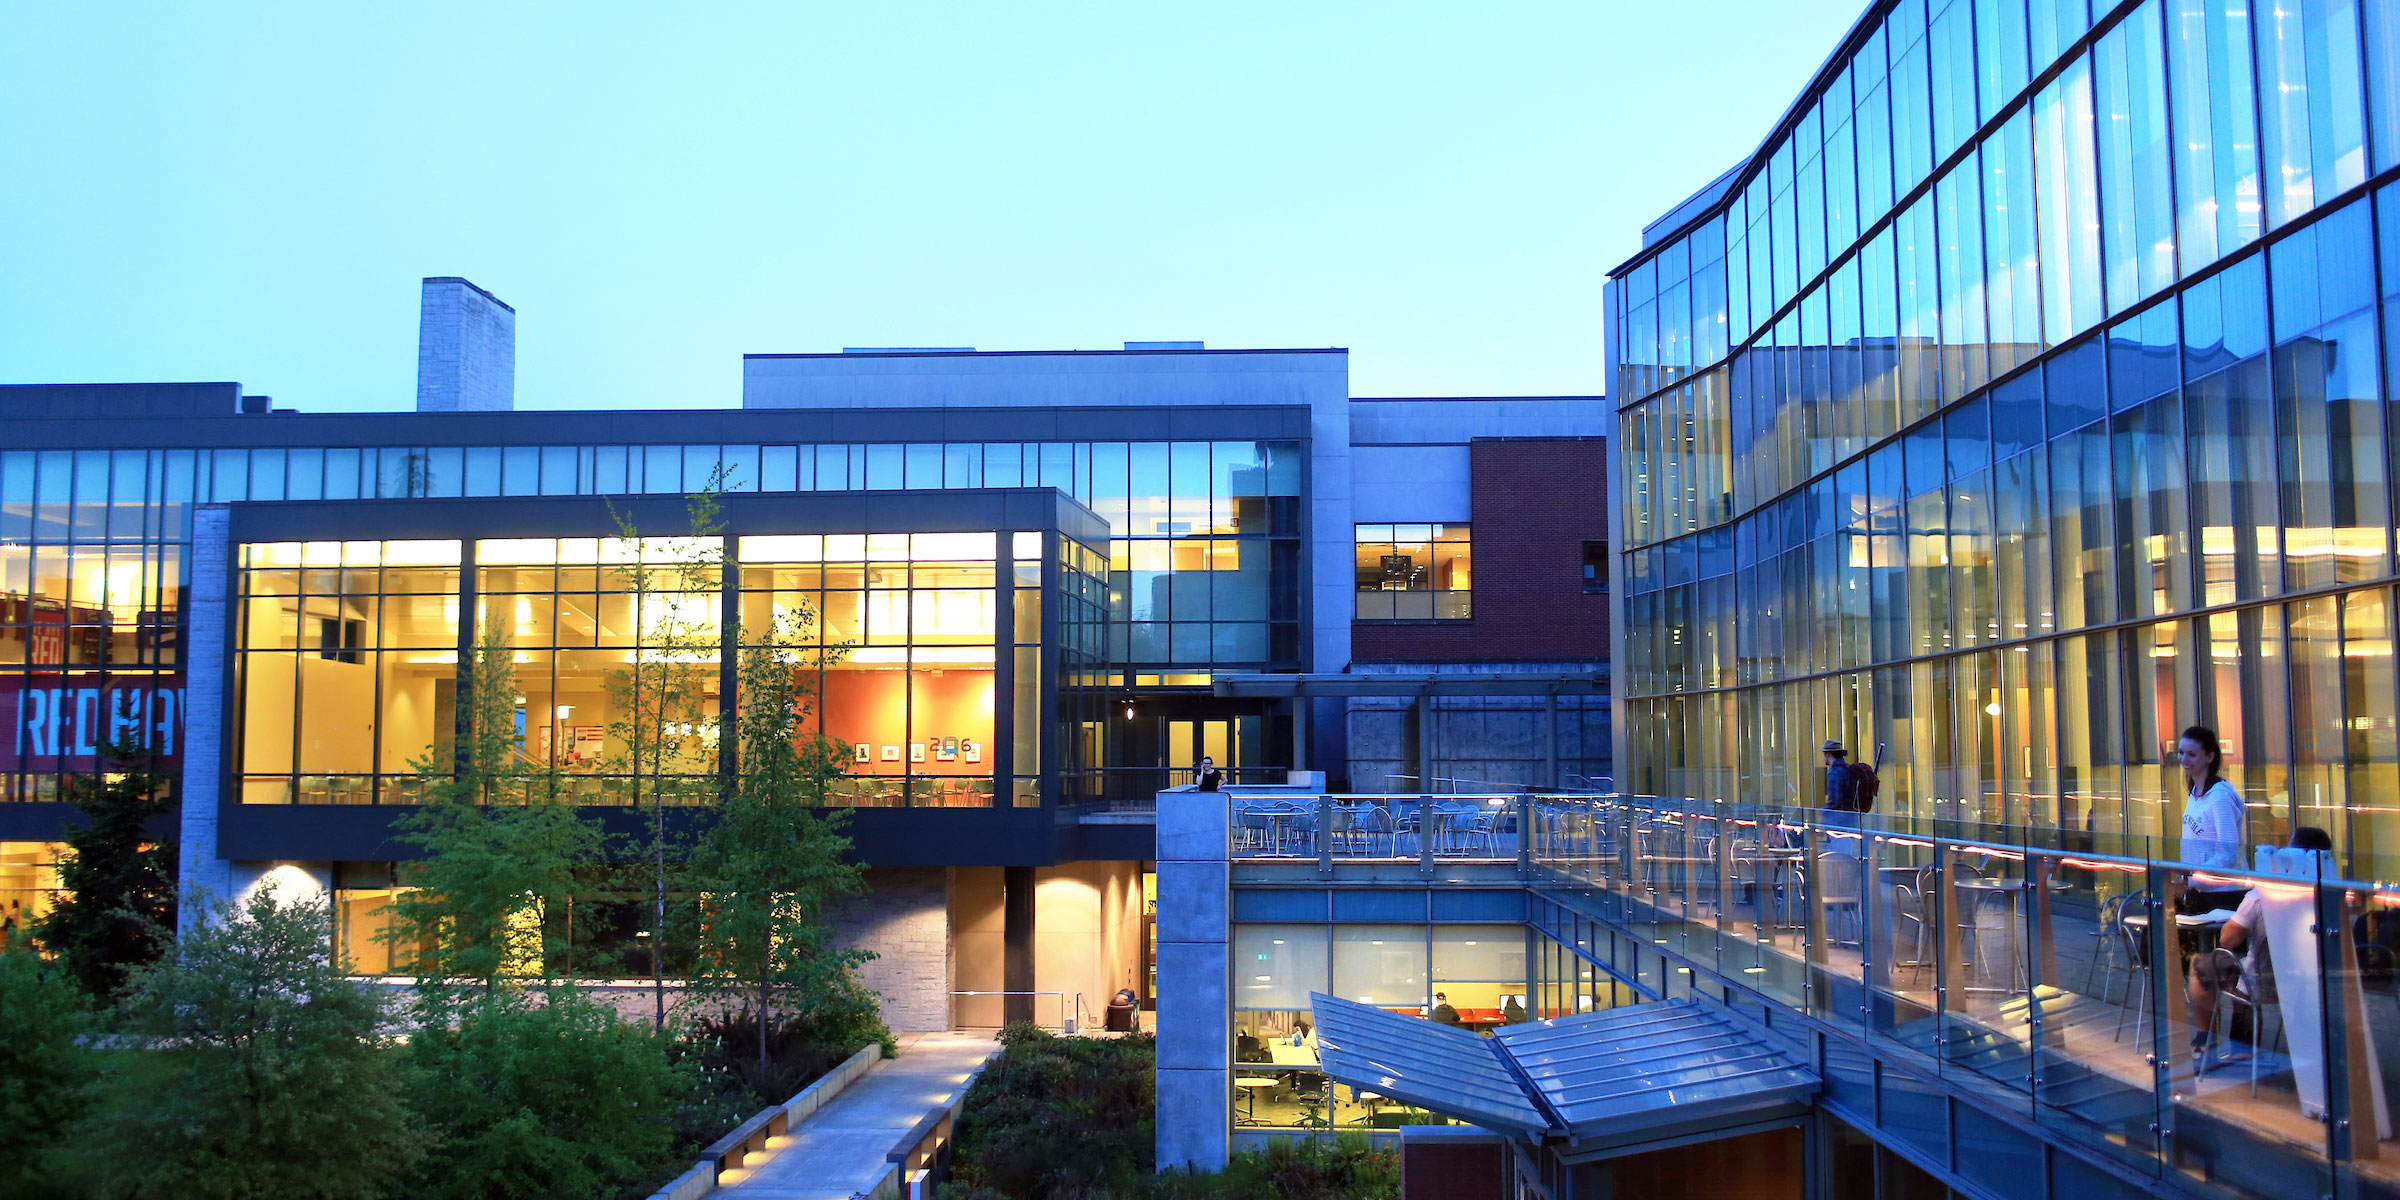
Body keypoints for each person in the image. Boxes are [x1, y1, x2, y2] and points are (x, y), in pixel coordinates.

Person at [2187, 826, 2332, 1064]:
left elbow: (2228, 940)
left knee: (2203, 964)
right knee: (2244, 966)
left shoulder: (2261, 895)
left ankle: (2210, 1040)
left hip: (2263, 980)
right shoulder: (2331, 894)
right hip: (2309, 983)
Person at [2176, 725, 2250, 914]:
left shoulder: (2219, 798)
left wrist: (2190, 878)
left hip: (2225, 892)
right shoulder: (2194, 792)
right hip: (2202, 889)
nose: (2184, 760)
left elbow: (2227, 853)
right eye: (2181, 753)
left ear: (2209, 757)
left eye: (2192, 755)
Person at [1821, 739, 1859, 812]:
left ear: (1828, 754)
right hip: (1853, 815)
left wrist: (1821, 814)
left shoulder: (1835, 772)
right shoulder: (1848, 768)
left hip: (1840, 819)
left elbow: (1834, 802)